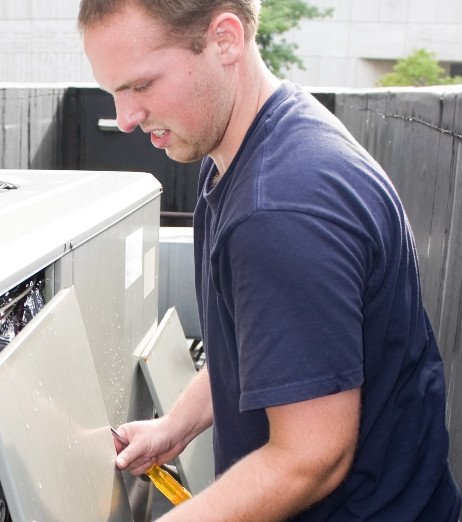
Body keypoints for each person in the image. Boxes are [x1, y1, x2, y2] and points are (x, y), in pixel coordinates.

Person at [78, 1, 462, 520]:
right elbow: (265, 351)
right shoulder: (256, 142)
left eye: (141, 86)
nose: (124, 119)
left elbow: (312, 459)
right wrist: (176, 427)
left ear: (225, 40)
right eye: (114, 91)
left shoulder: (279, 208)